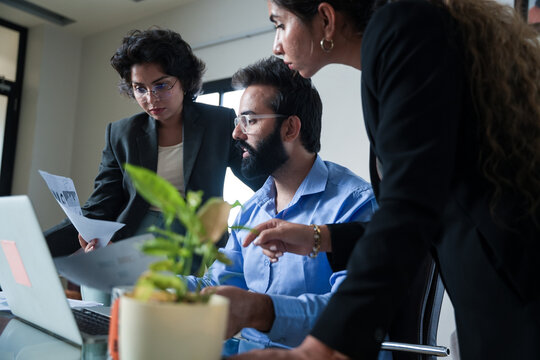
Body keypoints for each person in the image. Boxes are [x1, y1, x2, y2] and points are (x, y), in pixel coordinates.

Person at [233, 0, 540, 359]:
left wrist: (322, 347)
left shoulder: (399, 32)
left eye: (279, 24)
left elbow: (410, 205)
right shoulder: (394, 43)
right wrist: (319, 237)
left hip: (516, 291)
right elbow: (421, 201)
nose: (277, 44)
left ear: (326, 18)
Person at [43, 29, 264, 302]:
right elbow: (101, 205)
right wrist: (35, 246)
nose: (151, 98)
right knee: (100, 316)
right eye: (140, 89)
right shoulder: (122, 132)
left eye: (161, 85)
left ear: (183, 80)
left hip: (188, 241)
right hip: (125, 242)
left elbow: (261, 181)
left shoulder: (218, 122)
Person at [184, 56, 377, 350]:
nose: (236, 133)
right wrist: (143, 281)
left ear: (290, 129)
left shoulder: (355, 204)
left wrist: (259, 309)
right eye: (238, 122)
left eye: (249, 120)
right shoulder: (251, 209)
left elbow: (349, 313)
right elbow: (217, 286)